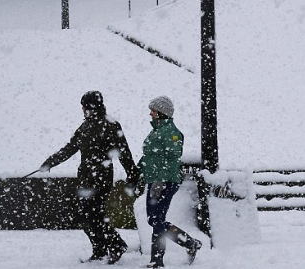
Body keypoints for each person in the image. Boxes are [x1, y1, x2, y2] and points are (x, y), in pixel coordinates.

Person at [39, 90, 141, 264]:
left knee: (93, 215)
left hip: (101, 178)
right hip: (86, 178)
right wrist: (50, 162)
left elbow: (123, 152)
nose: (83, 109)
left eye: (84, 106)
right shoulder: (85, 126)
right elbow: (69, 148)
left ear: (91, 107)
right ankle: (100, 250)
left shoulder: (111, 125)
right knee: (86, 215)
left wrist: (133, 175)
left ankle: (115, 245)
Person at [138, 95, 202, 268]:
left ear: (162, 112)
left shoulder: (172, 133)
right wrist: (139, 172)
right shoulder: (156, 131)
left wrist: (161, 180)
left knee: (157, 220)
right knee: (154, 220)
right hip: (155, 180)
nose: (150, 114)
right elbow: (150, 156)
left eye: (153, 110)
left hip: (166, 181)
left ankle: (157, 260)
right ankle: (190, 244)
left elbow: (172, 157)